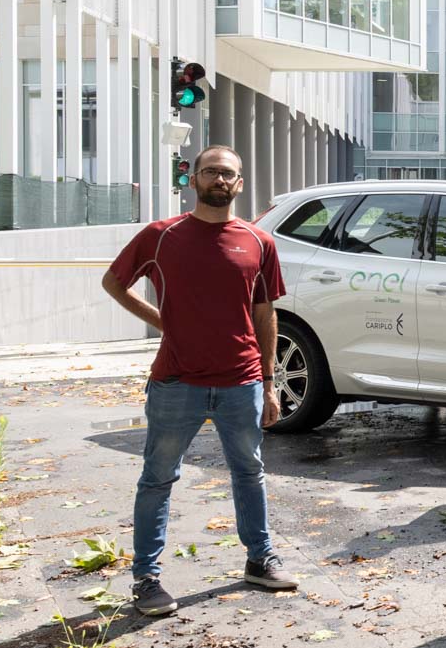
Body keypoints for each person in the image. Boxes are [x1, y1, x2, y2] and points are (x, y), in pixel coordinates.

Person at [101, 145, 298, 616]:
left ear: (240, 183)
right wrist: (163, 321)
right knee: (158, 478)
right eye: (211, 172)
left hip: (243, 381)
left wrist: (270, 382)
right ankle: (146, 580)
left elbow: (264, 313)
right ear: (194, 179)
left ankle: (259, 559)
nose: (220, 180)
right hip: (176, 381)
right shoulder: (161, 236)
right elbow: (113, 282)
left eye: (228, 174)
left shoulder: (258, 241)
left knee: (249, 473)